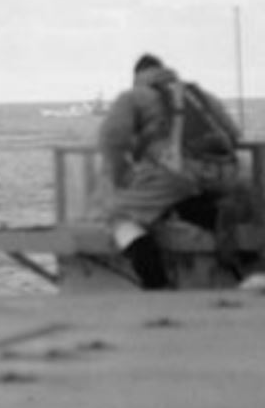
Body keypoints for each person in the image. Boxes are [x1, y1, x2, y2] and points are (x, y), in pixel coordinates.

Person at [96, 54, 245, 289]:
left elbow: (111, 139)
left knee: (119, 215)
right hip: (223, 173)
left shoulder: (134, 96)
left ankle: (155, 282)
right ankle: (210, 214)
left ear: (137, 77)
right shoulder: (198, 95)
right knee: (171, 199)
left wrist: (119, 175)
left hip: (176, 175)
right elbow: (234, 135)